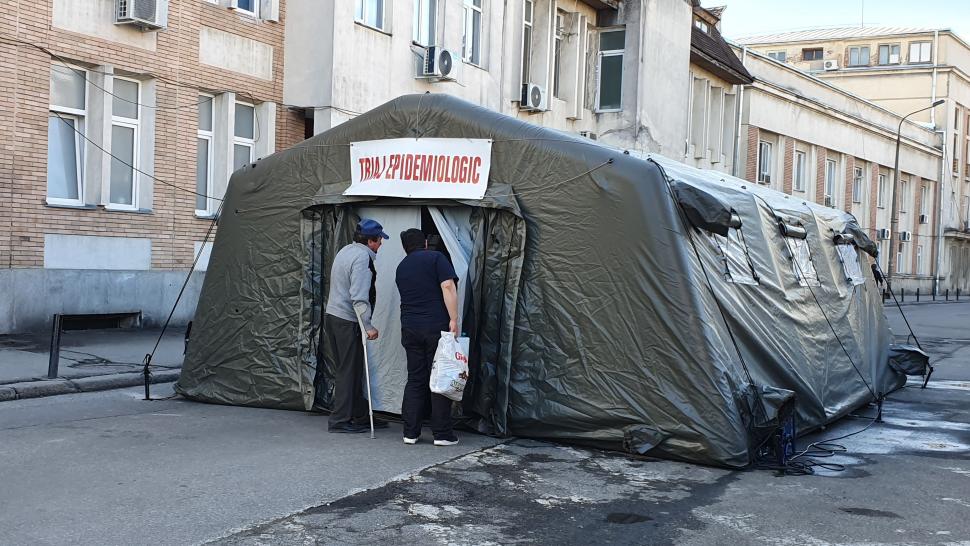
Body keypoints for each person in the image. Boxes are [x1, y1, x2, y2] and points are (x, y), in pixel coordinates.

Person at [395, 228, 461, 446]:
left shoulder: (402, 267)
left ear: (405, 248)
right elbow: (448, 286)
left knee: (415, 378)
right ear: (425, 243)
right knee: (440, 376)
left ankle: (410, 432)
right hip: (435, 326)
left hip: (410, 327)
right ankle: (442, 434)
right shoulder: (436, 258)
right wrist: (454, 319)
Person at [324, 218, 389, 433]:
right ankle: (339, 420)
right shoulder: (362, 258)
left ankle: (359, 413)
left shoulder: (346, 251)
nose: (381, 244)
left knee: (350, 368)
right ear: (370, 241)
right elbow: (359, 296)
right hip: (347, 320)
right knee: (348, 371)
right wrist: (368, 325)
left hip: (334, 316)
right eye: (379, 240)